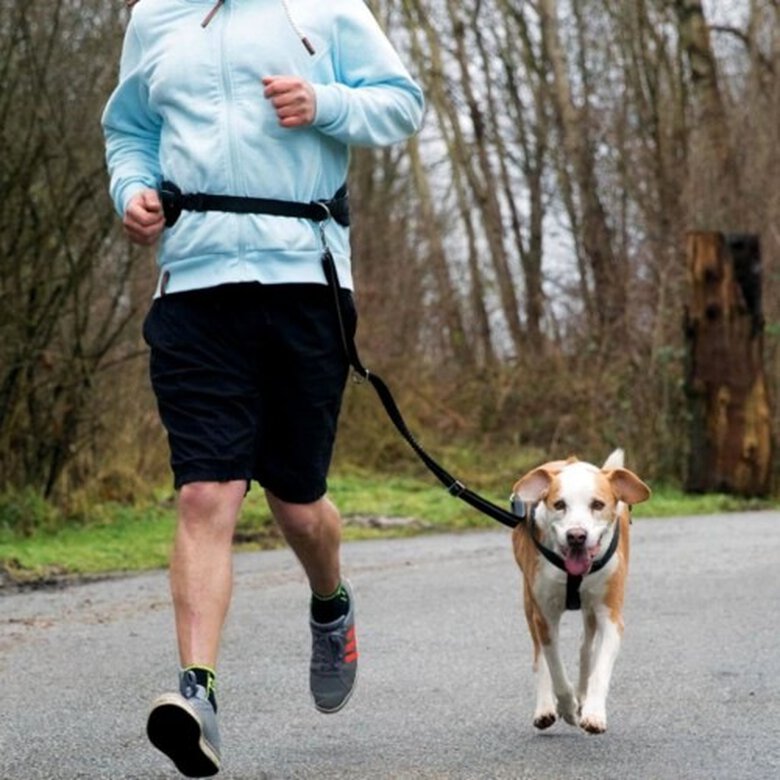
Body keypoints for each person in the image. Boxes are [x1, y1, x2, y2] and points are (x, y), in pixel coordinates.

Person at [101, 0, 423, 776]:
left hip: (303, 277)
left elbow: (402, 103)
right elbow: (129, 131)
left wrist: (326, 104)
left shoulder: (329, 7)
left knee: (296, 500)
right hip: (195, 287)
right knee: (206, 493)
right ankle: (197, 695)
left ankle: (330, 600)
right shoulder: (155, 16)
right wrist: (131, 192)